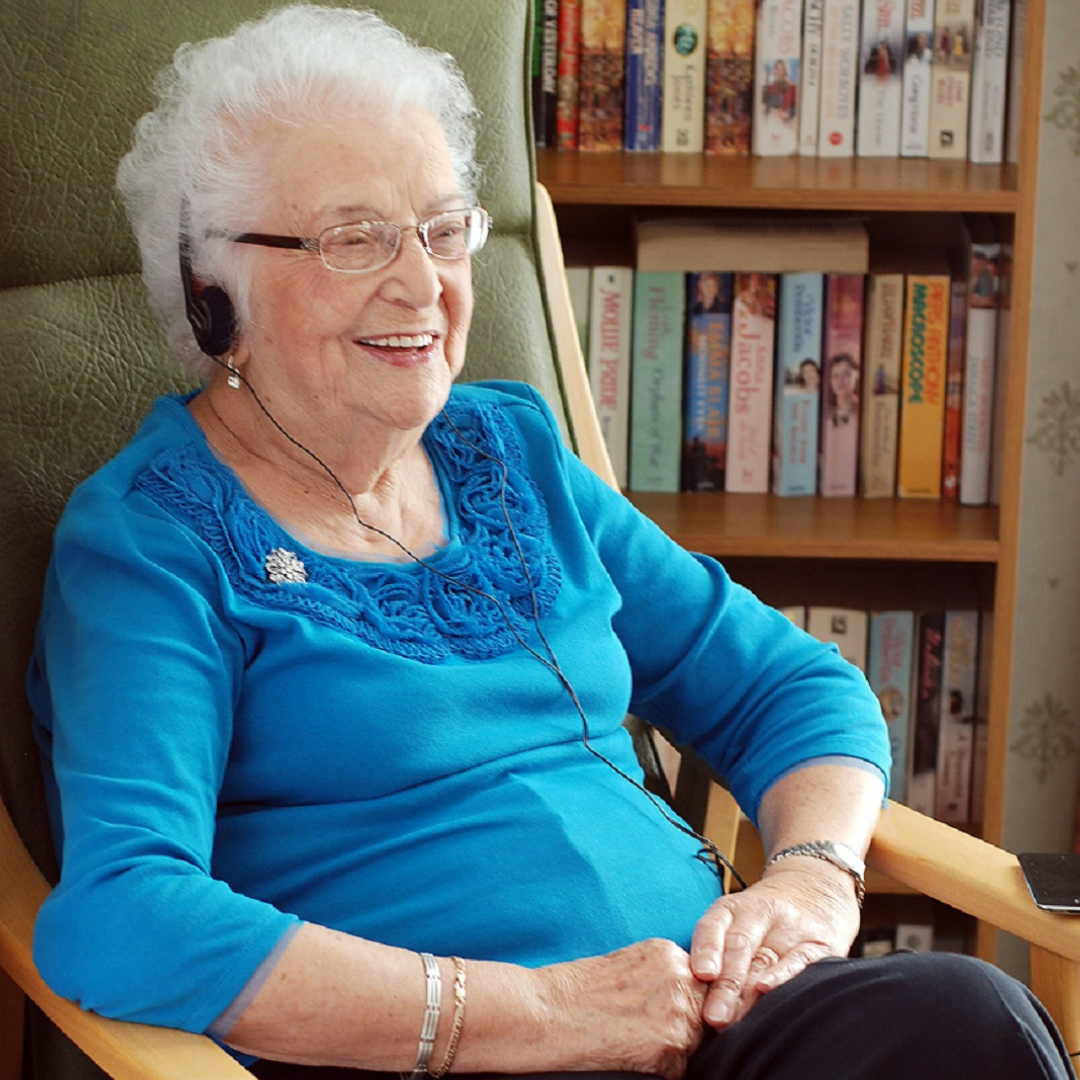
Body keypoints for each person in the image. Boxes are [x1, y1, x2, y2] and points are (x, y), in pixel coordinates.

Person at [26, 7, 1071, 1080]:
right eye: (355, 238)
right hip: (442, 1062)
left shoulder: (506, 452)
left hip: (705, 1028)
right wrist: (538, 1013)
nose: (422, 284)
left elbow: (792, 689)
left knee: (967, 1016)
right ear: (214, 291)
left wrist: (808, 877)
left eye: (442, 230)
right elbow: (127, 915)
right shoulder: (151, 545)